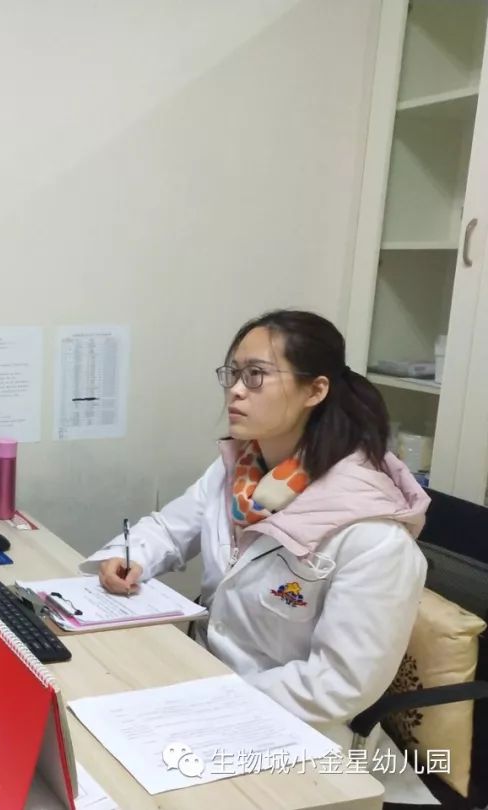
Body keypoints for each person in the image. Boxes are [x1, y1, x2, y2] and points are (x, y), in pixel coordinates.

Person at [85, 310, 428, 759]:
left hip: (297, 733)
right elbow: (169, 528)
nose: (236, 390)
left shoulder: (371, 532)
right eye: (234, 373)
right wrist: (131, 557)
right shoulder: (239, 471)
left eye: (256, 375)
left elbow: (339, 684)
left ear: (316, 390)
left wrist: (216, 698)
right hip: (202, 688)